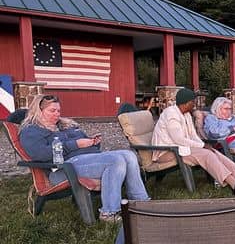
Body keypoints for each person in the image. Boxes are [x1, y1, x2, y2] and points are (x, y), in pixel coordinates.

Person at [19, 94, 150, 222]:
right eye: (52, 111)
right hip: (62, 170)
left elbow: (82, 143)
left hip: (83, 160)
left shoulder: (63, 126)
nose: (57, 114)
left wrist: (92, 142)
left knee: (129, 155)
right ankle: (110, 213)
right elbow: (41, 154)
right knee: (115, 161)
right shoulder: (31, 131)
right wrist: (75, 144)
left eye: (58, 110)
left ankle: (140, 203)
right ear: (38, 111)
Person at [151, 88, 235, 194]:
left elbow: (192, 135)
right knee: (206, 154)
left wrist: (203, 144)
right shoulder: (171, 115)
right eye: (193, 102)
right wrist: (201, 146)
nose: (194, 105)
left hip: (180, 148)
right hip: (166, 152)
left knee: (214, 152)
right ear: (186, 103)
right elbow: (178, 139)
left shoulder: (186, 114)